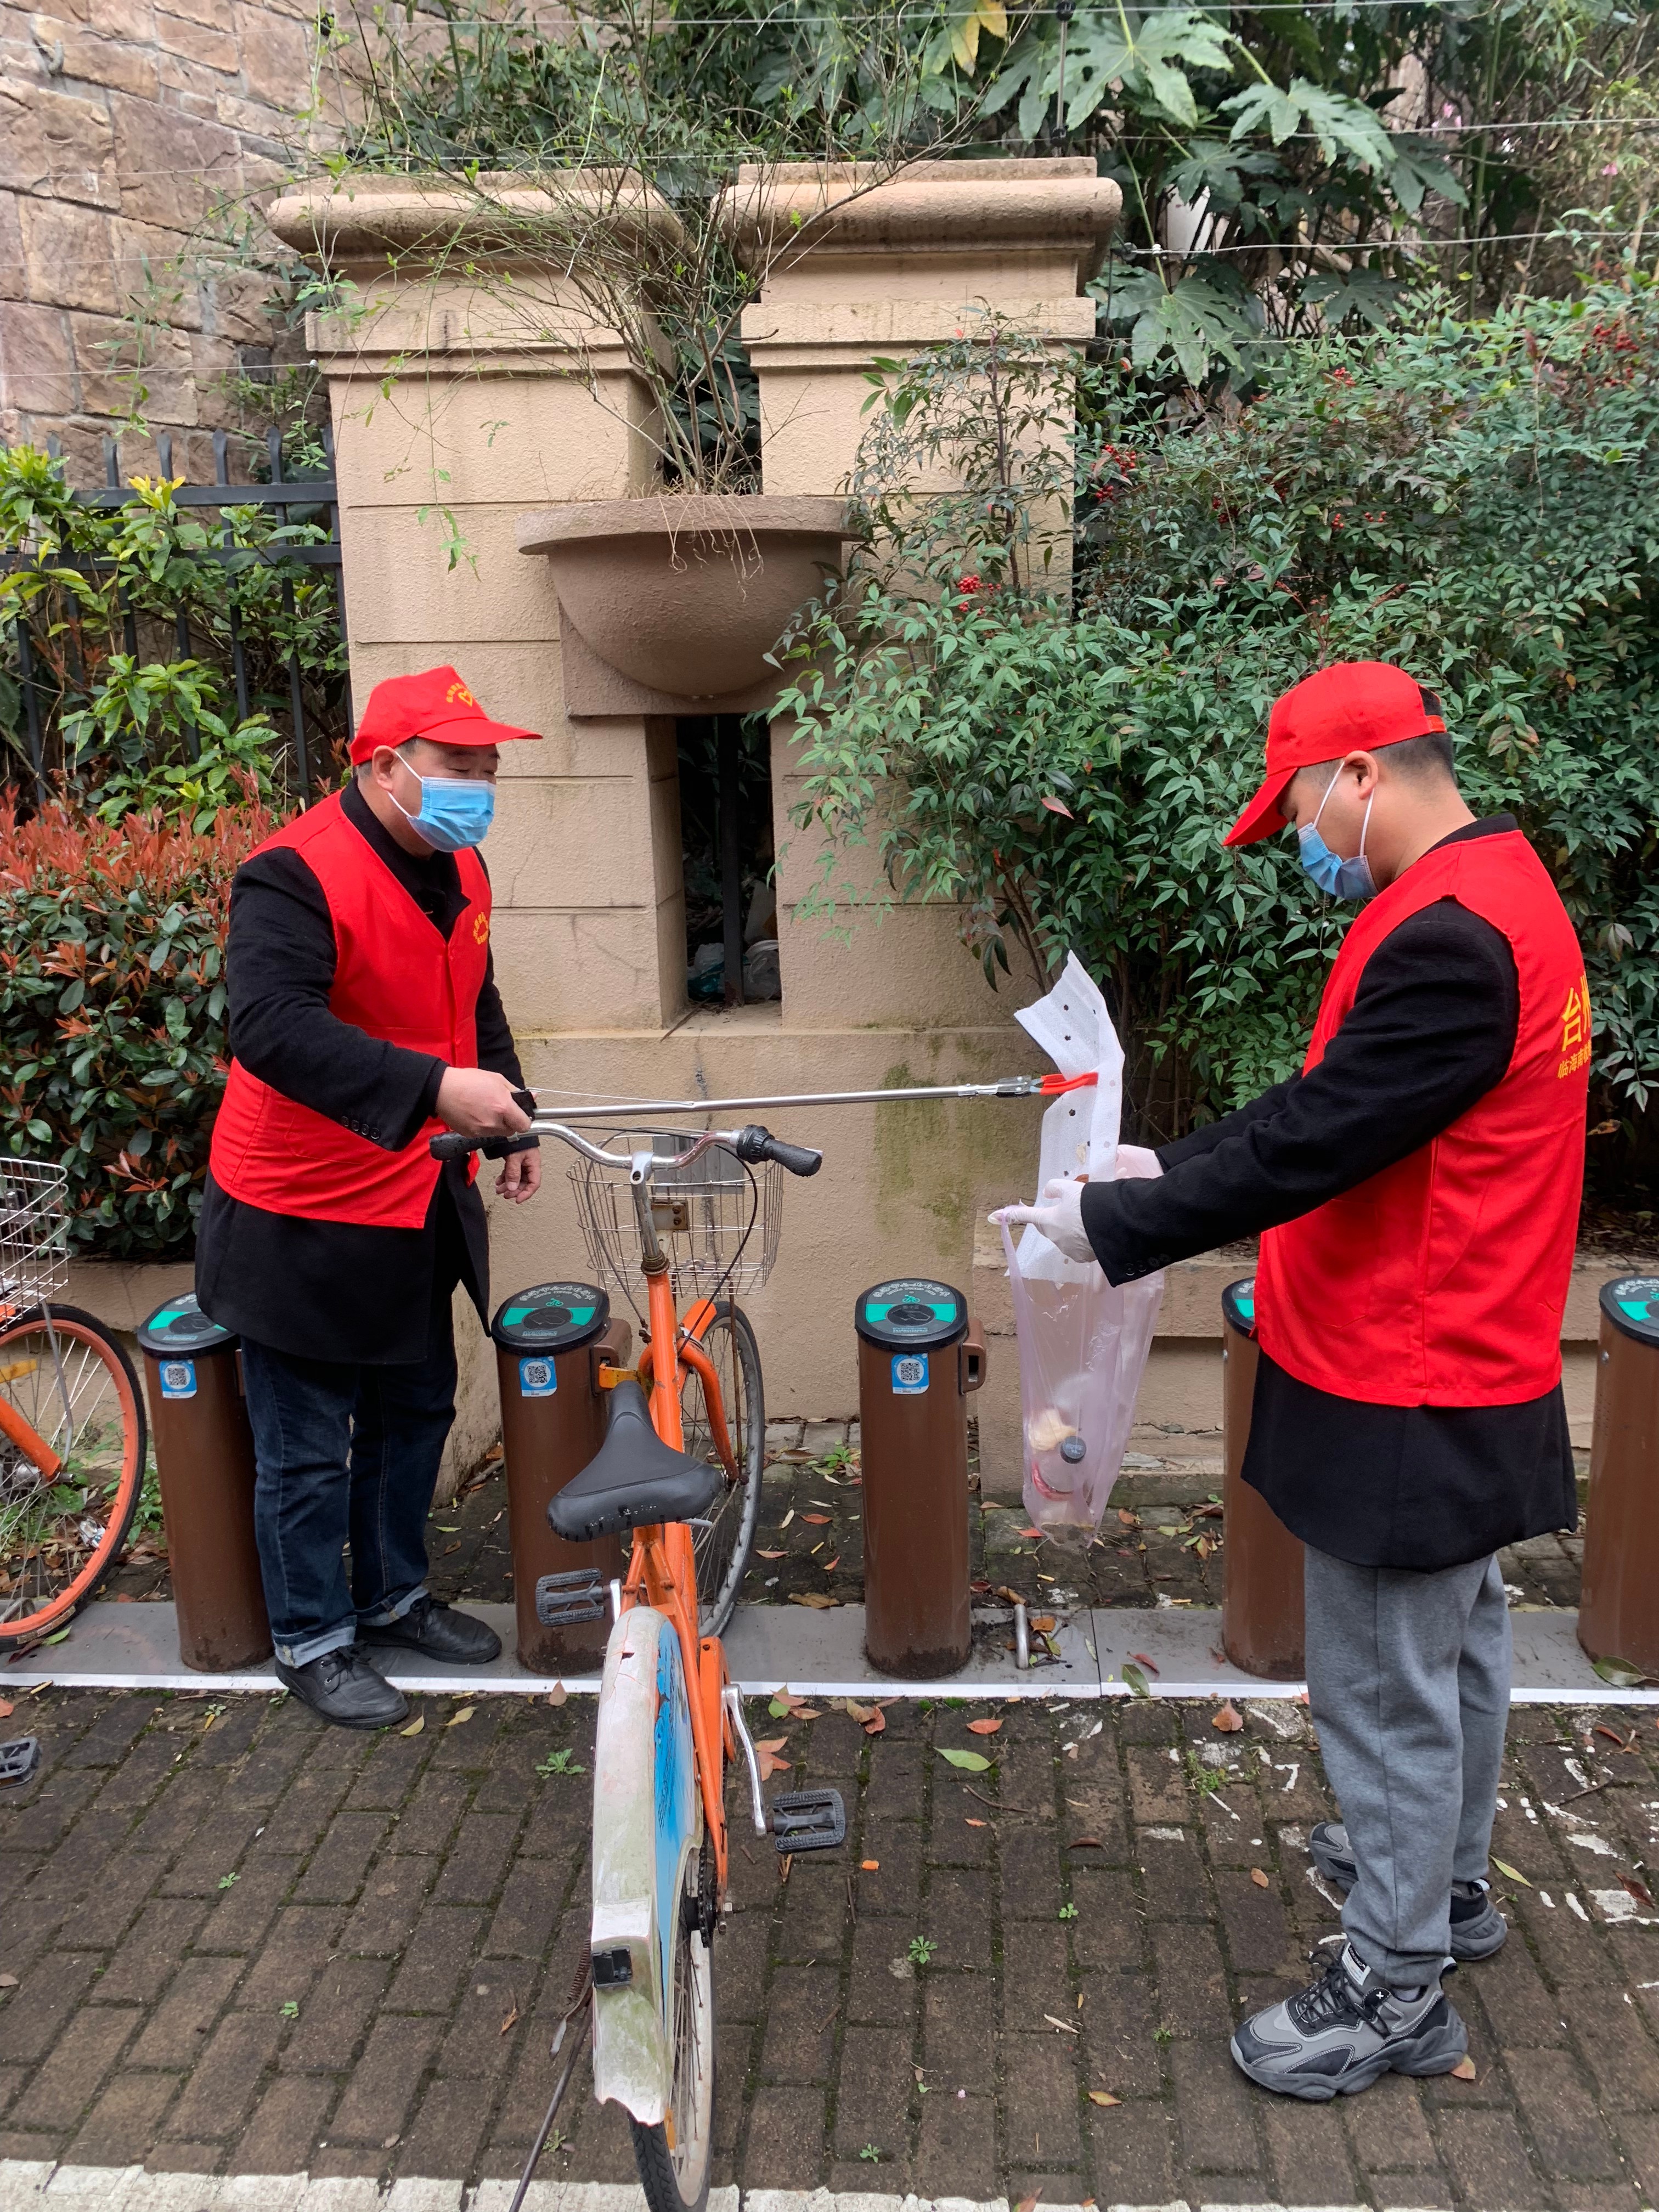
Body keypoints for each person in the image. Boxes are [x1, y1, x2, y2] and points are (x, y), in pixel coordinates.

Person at [1001, 661, 1588, 2101]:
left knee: (1384, 1688)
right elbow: (1333, 1107)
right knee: (1454, 1652)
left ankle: (1395, 1988)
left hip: (1411, 1370)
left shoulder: (1449, 940)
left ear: (1362, 776)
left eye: (1302, 811)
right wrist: (1165, 1163)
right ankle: (1443, 1887)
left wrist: (1116, 1223)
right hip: (1466, 1350)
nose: (1303, 845)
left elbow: (1320, 1143)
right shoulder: (1501, 892)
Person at [196, 667, 545, 1730]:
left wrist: (509, 1107)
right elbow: (270, 1026)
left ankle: (393, 1597)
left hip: (419, 1195)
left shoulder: (459, 863)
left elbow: (472, 995)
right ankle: (311, 1640)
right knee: (306, 1448)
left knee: (414, 1413)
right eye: (459, 763)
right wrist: (436, 1090)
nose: (481, 783)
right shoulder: (291, 873)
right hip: (298, 1211)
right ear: (386, 765)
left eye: (489, 766)